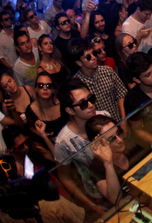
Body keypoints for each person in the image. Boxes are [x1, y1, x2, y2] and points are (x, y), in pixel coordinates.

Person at [54, 79, 115, 213]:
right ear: (70, 110)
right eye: (83, 104)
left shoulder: (104, 117)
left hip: (119, 177)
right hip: (97, 194)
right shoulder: (64, 142)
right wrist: (91, 205)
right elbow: (65, 178)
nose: (91, 105)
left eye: (91, 99)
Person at [71, 38, 128, 123]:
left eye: (94, 54)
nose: (94, 58)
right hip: (98, 128)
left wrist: (124, 120)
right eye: (88, 57)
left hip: (117, 120)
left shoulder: (107, 71)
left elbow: (121, 95)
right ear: (79, 62)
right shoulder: (77, 84)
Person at [26, 73, 68, 138]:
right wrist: (44, 135)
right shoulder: (30, 110)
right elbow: (30, 128)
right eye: (41, 85)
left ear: (53, 89)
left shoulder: (63, 102)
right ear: (36, 89)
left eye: (49, 86)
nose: (45, 88)